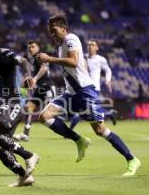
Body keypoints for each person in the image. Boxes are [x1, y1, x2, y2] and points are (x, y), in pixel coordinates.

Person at [36, 15, 140, 176]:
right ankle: (79, 140)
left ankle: (132, 159)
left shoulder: (71, 38)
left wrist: (49, 59)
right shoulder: (60, 47)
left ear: (64, 28)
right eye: (50, 31)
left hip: (84, 92)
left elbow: (74, 62)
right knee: (44, 116)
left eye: (54, 30)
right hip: (71, 93)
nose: (52, 34)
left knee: (100, 130)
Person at [0, 33, 39, 187]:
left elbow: (22, 61)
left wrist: (28, 75)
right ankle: (24, 176)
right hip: (7, 102)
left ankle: (29, 155)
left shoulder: (3, 53)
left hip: (14, 102)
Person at [69, 39, 117, 130]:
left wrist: (108, 80)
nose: (90, 46)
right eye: (89, 45)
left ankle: (68, 132)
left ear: (97, 47)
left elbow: (108, 70)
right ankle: (110, 113)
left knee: (82, 111)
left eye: (92, 45)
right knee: (89, 110)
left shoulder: (101, 59)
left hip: (94, 88)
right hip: (83, 87)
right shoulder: (82, 57)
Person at [13, 40, 55, 141]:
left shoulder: (38, 56)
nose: (30, 49)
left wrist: (34, 79)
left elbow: (44, 68)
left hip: (47, 88)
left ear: (38, 47)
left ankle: (68, 130)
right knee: (29, 107)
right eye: (29, 47)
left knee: (50, 115)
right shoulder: (34, 59)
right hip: (40, 89)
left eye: (32, 46)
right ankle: (25, 134)